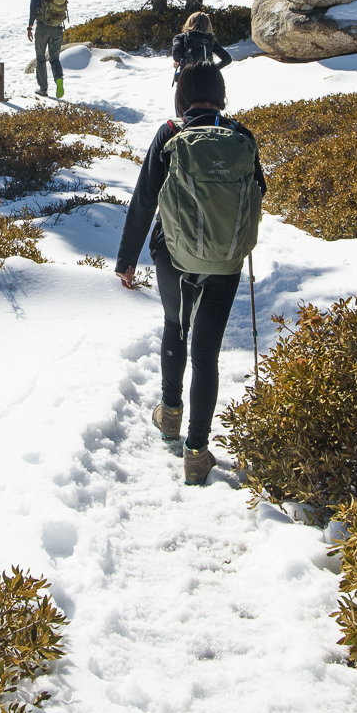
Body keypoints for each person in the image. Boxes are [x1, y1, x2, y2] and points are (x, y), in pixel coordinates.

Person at [116, 61, 265, 485]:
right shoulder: (241, 135)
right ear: (220, 95)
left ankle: (169, 415)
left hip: (173, 257)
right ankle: (196, 454)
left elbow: (145, 199)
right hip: (225, 260)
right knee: (206, 354)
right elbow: (259, 190)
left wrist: (127, 259)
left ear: (180, 96)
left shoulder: (169, 133)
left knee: (175, 328)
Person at [27, 0, 68, 97]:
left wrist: (30, 27)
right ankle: (59, 79)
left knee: (40, 59)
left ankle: (43, 89)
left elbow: (33, 10)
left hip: (42, 28)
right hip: (57, 28)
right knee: (54, 58)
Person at [170, 10, 233, 81]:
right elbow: (227, 59)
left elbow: (176, 52)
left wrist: (177, 61)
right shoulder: (210, 40)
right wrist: (213, 69)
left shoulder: (182, 37)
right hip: (207, 78)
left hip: (187, 77)